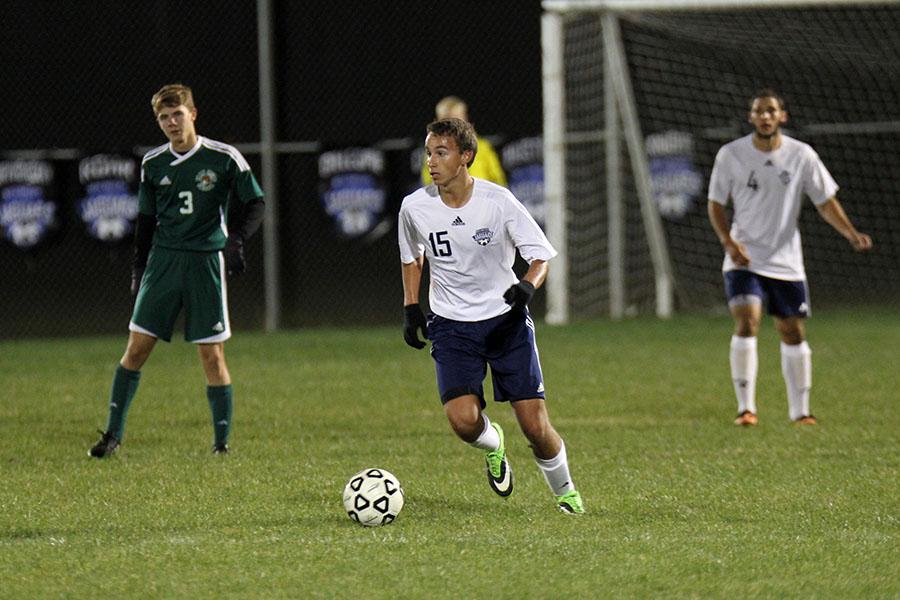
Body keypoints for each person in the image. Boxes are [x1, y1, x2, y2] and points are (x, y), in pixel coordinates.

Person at [399, 117, 584, 514]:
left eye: (441, 152)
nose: (432, 161)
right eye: (429, 152)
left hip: (505, 321)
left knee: (535, 427)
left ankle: (566, 493)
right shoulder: (414, 207)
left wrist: (526, 287)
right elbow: (411, 256)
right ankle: (494, 444)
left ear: (466, 157)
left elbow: (540, 256)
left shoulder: (498, 201)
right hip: (450, 325)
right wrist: (411, 308)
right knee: (464, 422)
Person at [89, 83, 265, 457]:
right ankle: (112, 436)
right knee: (136, 348)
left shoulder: (224, 157)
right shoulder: (153, 163)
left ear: (193, 114)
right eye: (163, 117)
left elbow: (256, 203)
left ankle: (221, 445)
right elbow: (145, 219)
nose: (171, 122)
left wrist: (236, 240)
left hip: (205, 263)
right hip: (164, 263)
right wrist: (139, 267)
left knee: (212, 356)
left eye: (177, 114)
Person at [707, 88, 872, 427]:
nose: (765, 116)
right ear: (751, 117)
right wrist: (728, 242)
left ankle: (801, 412)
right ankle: (746, 408)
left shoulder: (802, 155)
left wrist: (851, 233)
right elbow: (715, 204)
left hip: (786, 259)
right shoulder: (731, 155)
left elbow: (825, 200)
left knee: (792, 332)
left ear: (782, 116)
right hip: (744, 256)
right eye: (758, 111)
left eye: (771, 111)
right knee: (747, 320)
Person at [420, 96, 507, 187]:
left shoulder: (482, 146)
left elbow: (498, 179)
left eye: (459, 118)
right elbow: (429, 182)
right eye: (449, 120)